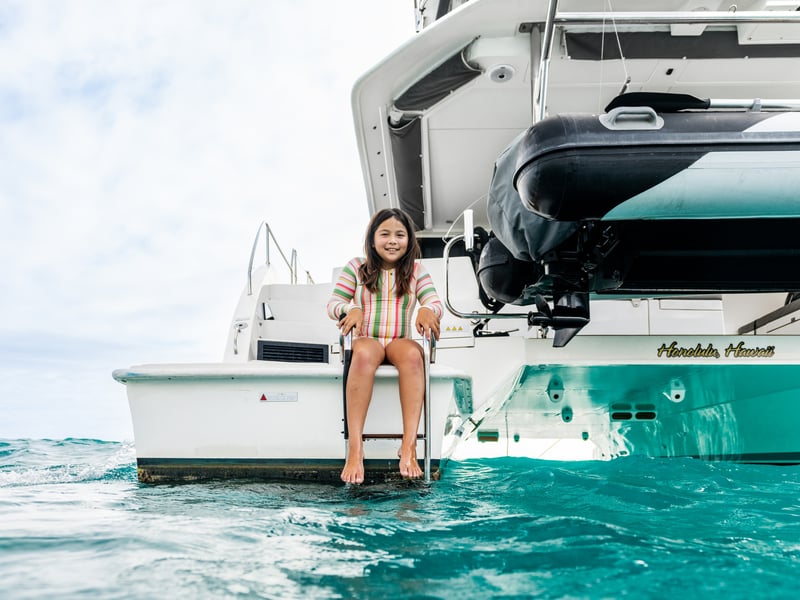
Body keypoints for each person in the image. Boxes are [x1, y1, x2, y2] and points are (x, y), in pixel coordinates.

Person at [327, 208, 442, 484]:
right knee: (364, 354)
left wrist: (428, 310)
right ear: (372, 238)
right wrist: (350, 309)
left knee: (413, 355)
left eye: (400, 235)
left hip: (398, 342)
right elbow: (333, 304)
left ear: (409, 240)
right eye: (385, 234)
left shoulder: (416, 271)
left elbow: (434, 302)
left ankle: (409, 446)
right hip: (368, 340)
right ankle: (356, 448)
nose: (392, 241)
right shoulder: (356, 267)